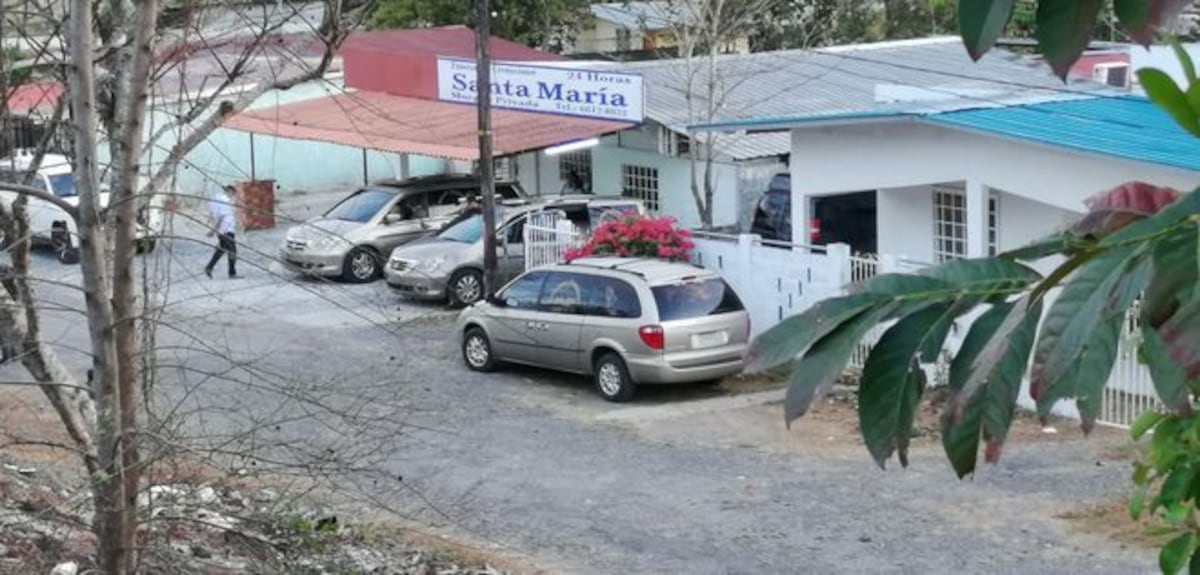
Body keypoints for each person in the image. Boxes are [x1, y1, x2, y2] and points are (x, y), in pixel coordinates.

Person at [204, 185, 238, 279]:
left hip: (223, 231)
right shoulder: (224, 202)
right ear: (229, 191)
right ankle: (232, 273)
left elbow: (213, 214)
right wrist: (213, 230)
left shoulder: (216, 200)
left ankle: (209, 267)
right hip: (226, 230)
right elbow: (220, 217)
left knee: (221, 250)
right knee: (232, 251)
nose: (232, 196)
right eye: (232, 193)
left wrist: (214, 229)